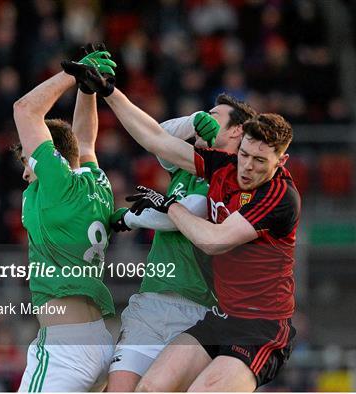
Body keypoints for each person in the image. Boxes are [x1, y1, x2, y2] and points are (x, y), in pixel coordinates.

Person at [62, 58, 300, 391]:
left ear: (281, 161)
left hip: (260, 326)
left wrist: (169, 207)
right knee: (147, 389)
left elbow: (214, 241)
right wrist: (109, 92)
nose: (246, 167)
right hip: (221, 318)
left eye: (260, 161)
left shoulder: (279, 196)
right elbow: (156, 138)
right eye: (244, 155)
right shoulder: (224, 166)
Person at [106, 95, 256, 392]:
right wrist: (192, 121)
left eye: (214, 115)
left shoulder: (232, 177)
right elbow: (158, 138)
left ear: (237, 131)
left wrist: (131, 218)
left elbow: (181, 216)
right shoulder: (186, 167)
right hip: (152, 300)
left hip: (196, 309)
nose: (205, 118)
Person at [12, 44, 117, 392]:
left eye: (28, 160)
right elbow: (84, 143)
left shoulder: (56, 187)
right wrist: (88, 92)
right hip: (99, 339)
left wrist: (73, 74)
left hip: (64, 348)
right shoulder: (97, 185)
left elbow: (25, 110)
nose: (26, 173)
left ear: (51, 157)